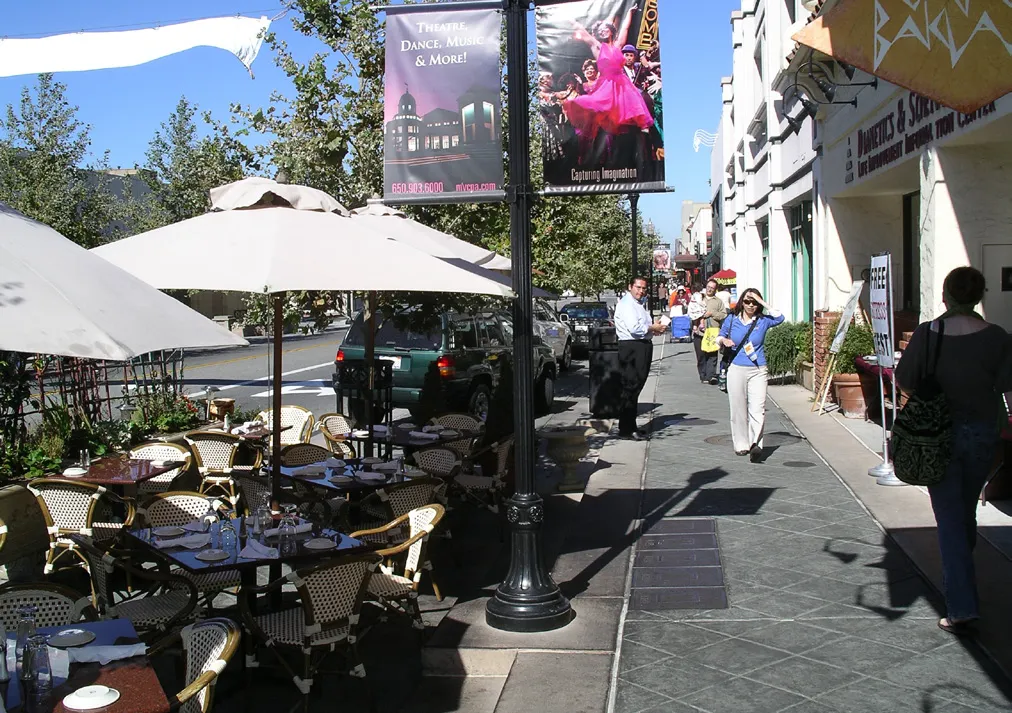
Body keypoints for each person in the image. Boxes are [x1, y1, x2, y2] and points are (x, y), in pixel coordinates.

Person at [895, 266, 1012, 635]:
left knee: (948, 518)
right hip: (981, 434)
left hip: (937, 435)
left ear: (945, 295)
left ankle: (961, 604)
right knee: (963, 512)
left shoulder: (930, 333)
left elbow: (905, 380)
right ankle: (962, 576)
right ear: (979, 296)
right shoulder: (997, 337)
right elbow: (1007, 389)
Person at [718, 288, 785, 461]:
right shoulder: (732, 319)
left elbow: (780, 317)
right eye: (747, 301)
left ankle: (756, 444)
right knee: (738, 408)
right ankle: (741, 444)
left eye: (754, 302)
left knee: (758, 408)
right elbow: (720, 336)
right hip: (736, 368)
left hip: (758, 369)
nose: (750, 305)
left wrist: (762, 301)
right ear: (741, 302)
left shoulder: (763, 321)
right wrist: (723, 340)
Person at [614, 276, 667, 440]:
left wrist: (653, 329)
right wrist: (652, 327)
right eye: (638, 287)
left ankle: (631, 426)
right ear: (630, 286)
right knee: (631, 387)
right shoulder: (627, 304)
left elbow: (643, 327)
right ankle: (626, 429)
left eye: (644, 288)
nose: (641, 291)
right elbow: (635, 328)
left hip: (640, 345)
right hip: (632, 347)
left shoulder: (638, 304)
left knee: (635, 388)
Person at [697, 279, 728, 384]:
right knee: (701, 355)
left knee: (712, 355)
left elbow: (723, 315)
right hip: (699, 332)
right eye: (708, 287)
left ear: (715, 290)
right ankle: (703, 375)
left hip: (713, 332)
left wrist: (712, 313)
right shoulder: (699, 298)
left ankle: (711, 376)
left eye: (712, 288)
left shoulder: (718, 302)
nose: (709, 289)